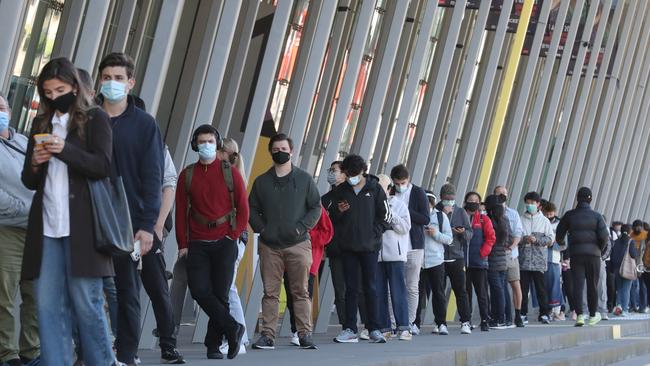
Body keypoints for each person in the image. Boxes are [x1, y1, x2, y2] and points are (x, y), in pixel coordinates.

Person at [20, 57, 114, 365]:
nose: (53, 96)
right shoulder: (41, 123)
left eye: (59, 89)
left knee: (87, 304)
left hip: (82, 231)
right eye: (47, 92)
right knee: (47, 307)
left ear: (75, 87)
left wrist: (65, 150)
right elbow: (29, 180)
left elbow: (102, 166)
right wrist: (36, 161)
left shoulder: (95, 119)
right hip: (46, 228)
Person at [97, 52, 183, 364]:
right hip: (89, 220)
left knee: (126, 293)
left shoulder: (146, 125)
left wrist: (149, 226)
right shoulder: (89, 118)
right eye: (106, 77)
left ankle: (127, 354)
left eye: (118, 78)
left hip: (129, 223)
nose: (111, 83)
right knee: (85, 290)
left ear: (130, 82)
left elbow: (153, 179)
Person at [175, 125, 249, 359]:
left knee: (221, 294)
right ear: (195, 145)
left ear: (216, 144)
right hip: (197, 241)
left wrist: (233, 235)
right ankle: (233, 327)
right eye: (201, 141)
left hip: (225, 240)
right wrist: (182, 243)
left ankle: (213, 345)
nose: (205, 145)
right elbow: (180, 212)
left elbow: (243, 207)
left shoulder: (230, 173)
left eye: (209, 141)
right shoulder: (187, 175)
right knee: (199, 290)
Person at [249, 133, 321, 350]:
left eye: (284, 149)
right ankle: (267, 336)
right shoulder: (261, 181)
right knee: (270, 292)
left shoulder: (305, 179)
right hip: (270, 246)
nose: (280, 152)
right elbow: (251, 208)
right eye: (276, 149)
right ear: (271, 151)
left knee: (300, 291)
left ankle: (304, 334)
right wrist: (262, 229)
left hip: (298, 244)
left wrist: (302, 227)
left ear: (292, 151)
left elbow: (316, 207)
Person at [330, 154, 391, 344]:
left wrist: (375, 233)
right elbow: (332, 216)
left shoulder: (375, 189)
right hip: (348, 246)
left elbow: (386, 216)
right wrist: (339, 212)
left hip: (370, 247)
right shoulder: (341, 190)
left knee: (371, 287)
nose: (351, 177)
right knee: (351, 288)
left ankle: (374, 328)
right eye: (348, 174)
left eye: (355, 174)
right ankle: (349, 328)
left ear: (363, 171)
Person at [0, 94, 40, 366]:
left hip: (37, 234)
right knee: (3, 297)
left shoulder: (25, 142)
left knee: (36, 296)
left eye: (1, 107)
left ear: (11, 111)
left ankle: (32, 351)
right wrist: (30, 211)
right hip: (7, 232)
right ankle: (7, 353)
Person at [555, 187, 610, 327]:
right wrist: (599, 249)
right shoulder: (597, 216)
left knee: (578, 285)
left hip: (576, 254)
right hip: (593, 255)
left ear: (577, 198)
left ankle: (579, 315)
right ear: (590, 199)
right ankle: (592, 315)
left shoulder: (569, 215)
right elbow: (604, 236)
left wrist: (562, 243)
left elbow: (559, 234)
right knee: (592, 284)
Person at [284, 205, 333, 346]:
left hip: (310, 260)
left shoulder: (317, 206)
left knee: (305, 296)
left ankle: (302, 331)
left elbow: (327, 232)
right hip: (288, 258)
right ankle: (296, 329)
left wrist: (306, 237)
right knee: (290, 296)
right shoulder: (288, 204)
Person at [389, 164, 430, 335]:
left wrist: (405, 212)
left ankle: (411, 321)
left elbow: (425, 218)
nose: (400, 186)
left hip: (414, 247)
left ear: (409, 180)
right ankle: (392, 321)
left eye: (403, 183)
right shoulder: (390, 194)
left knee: (412, 286)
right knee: (393, 286)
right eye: (397, 183)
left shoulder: (418, 192)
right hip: (395, 247)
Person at [375, 174, 411, 341]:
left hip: (395, 255)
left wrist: (391, 215)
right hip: (377, 255)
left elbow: (405, 227)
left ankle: (404, 327)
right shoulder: (371, 205)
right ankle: (385, 327)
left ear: (389, 189)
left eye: (382, 187)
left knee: (398, 292)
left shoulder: (399, 205)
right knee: (379, 293)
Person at [435, 183, 473, 335]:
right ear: (441, 198)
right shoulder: (435, 211)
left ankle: (465, 321)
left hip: (457, 257)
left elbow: (470, 233)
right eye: (446, 199)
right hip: (439, 257)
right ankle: (440, 323)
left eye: (452, 199)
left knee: (461, 291)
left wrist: (462, 233)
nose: (449, 202)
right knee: (439, 292)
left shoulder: (460, 212)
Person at [518, 192, 554, 324]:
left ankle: (544, 313)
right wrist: (524, 239)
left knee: (541, 288)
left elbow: (550, 239)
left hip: (539, 260)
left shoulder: (544, 221)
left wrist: (537, 239)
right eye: (528, 202)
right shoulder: (520, 219)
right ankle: (522, 313)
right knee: (523, 288)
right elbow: (515, 237)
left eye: (533, 203)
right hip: (523, 260)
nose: (530, 205)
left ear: (538, 205)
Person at [463, 192, 495, 332]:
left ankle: (484, 319)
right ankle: (466, 320)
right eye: (470, 200)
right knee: (465, 293)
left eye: (476, 201)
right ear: (465, 202)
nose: (473, 203)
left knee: (481, 293)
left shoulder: (483, 219)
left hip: (479, 262)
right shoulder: (460, 217)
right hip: (463, 262)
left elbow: (491, 238)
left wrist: (483, 253)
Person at [421, 191, 453, 334]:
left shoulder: (441, 216)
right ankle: (415, 323)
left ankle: (441, 323)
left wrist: (435, 234)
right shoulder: (416, 216)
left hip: (436, 260)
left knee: (438, 292)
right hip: (419, 259)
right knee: (417, 292)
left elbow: (449, 239)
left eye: (428, 203)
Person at [494, 186, 524, 327]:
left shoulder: (513, 214)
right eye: (499, 193)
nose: (502, 196)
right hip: (497, 254)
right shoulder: (491, 213)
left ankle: (517, 314)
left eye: (504, 193)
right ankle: (503, 315)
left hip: (511, 255)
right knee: (499, 286)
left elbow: (518, 233)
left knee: (515, 283)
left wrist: (512, 247)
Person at [484, 195, 509, 329]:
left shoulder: (489, 221)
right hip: (502, 260)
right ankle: (501, 318)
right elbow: (508, 240)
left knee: (496, 290)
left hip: (492, 260)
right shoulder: (504, 221)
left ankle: (498, 319)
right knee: (499, 290)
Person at [541, 201, 566, 320]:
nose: (549, 216)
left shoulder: (559, 224)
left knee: (555, 285)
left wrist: (551, 244)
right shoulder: (541, 222)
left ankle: (556, 310)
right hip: (541, 258)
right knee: (543, 286)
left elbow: (564, 243)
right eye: (547, 214)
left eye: (551, 214)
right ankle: (545, 309)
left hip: (554, 258)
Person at [611, 225, 637, 317]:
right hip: (626, 269)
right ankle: (625, 310)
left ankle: (619, 308)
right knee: (626, 289)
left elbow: (612, 255)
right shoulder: (631, 241)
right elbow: (633, 255)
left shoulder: (615, 241)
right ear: (630, 231)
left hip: (616, 269)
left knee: (620, 289)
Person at [630, 220, 648, 313]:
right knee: (632, 285)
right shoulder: (631, 235)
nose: (638, 228)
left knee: (642, 285)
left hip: (642, 262)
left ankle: (642, 306)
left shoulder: (645, 234)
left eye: (639, 226)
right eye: (636, 226)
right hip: (632, 261)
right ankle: (633, 305)